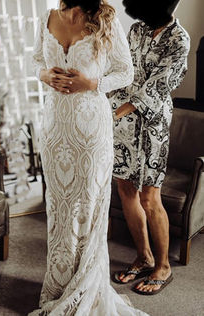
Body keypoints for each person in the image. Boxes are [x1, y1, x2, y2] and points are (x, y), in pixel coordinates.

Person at [29, 1, 148, 315]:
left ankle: (84, 283)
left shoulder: (105, 20)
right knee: (58, 207)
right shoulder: (48, 18)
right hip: (55, 128)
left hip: (91, 129)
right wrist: (45, 76)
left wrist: (93, 83)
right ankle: (58, 284)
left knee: (89, 206)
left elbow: (126, 72)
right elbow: (34, 60)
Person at [110, 0, 190, 295]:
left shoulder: (178, 38)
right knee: (125, 190)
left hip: (152, 126)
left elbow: (159, 86)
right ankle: (143, 257)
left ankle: (163, 266)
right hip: (121, 125)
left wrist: (117, 111)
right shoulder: (136, 30)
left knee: (149, 198)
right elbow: (123, 71)